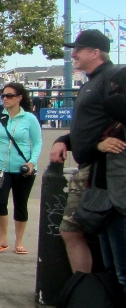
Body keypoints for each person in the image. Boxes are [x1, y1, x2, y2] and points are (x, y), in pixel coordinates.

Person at [49, 30, 118, 273]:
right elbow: (89, 126)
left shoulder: (112, 77)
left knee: (72, 230)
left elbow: (119, 119)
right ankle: (89, 294)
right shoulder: (92, 82)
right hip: (91, 166)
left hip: (102, 171)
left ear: (95, 52)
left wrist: (102, 144)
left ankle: (84, 292)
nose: (73, 53)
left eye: (79, 49)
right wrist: (64, 139)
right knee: (94, 233)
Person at [0, 83, 42, 255]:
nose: (5, 99)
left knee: (20, 204)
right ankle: (3, 238)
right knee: (0, 202)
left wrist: (32, 162)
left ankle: (19, 241)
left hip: (23, 168)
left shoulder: (29, 118)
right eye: (3, 95)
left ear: (19, 98)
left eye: (9, 96)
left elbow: (37, 142)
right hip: (0, 167)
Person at [91, 69, 126, 308]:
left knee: (124, 273)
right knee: (113, 270)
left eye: (116, 87)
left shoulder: (118, 108)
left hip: (122, 202)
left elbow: (111, 104)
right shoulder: (115, 121)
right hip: (110, 201)